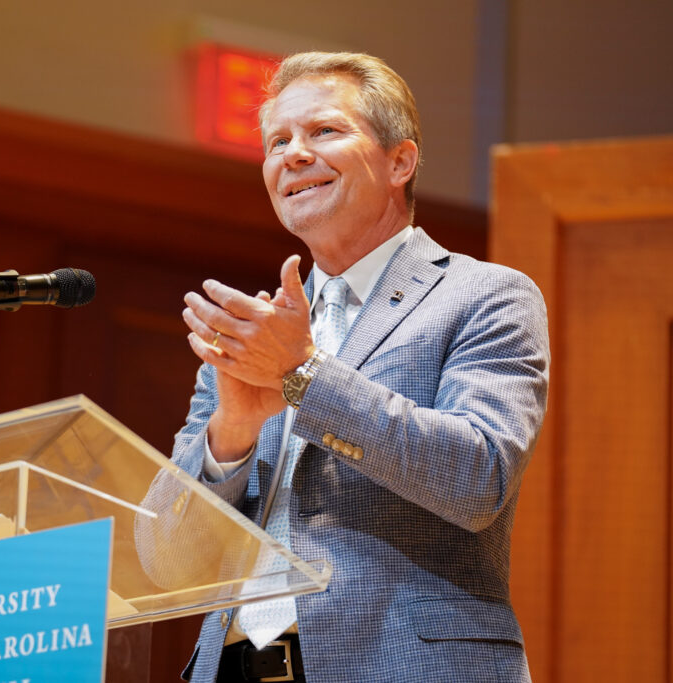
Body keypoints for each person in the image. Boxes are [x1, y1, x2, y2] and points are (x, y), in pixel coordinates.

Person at [173, 51, 549, 682]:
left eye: (323, 131)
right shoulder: (252, 336)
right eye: (277, 141)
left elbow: (477, 478)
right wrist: (232, 431)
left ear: (400, 161)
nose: (292, 154)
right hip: (235, 666)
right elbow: (168, 559)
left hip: (405, 666)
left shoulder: (486, 294)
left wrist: (304, 376)